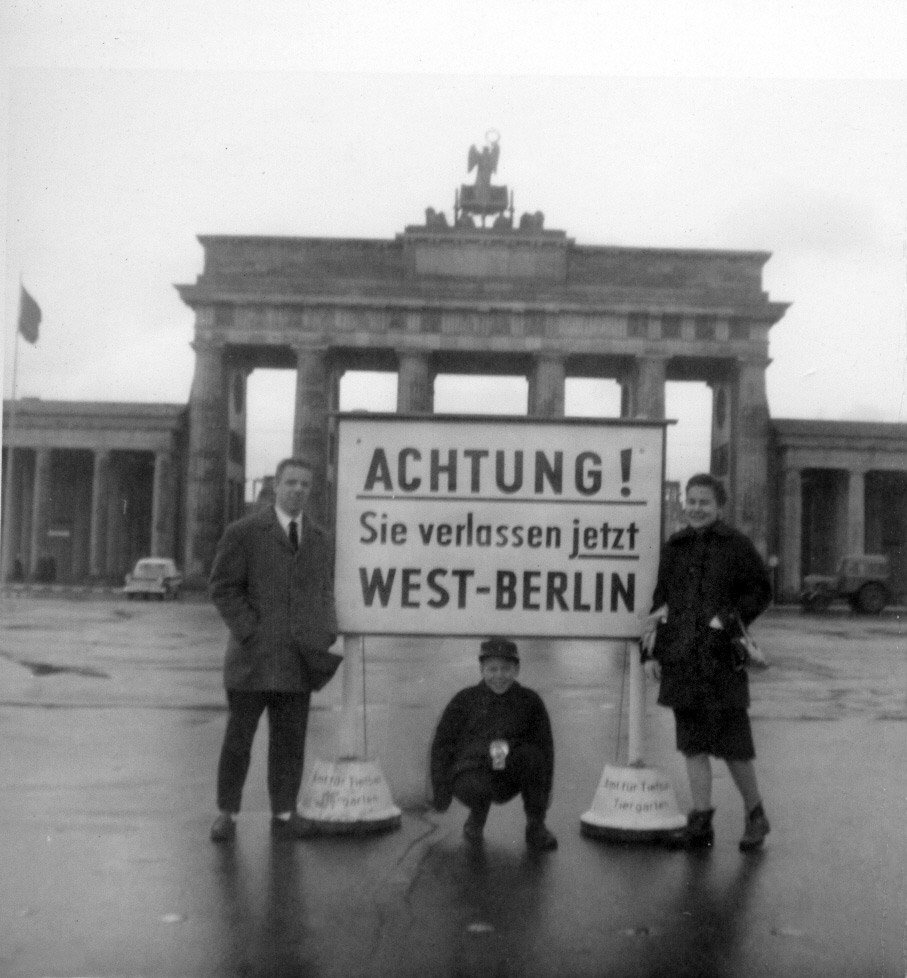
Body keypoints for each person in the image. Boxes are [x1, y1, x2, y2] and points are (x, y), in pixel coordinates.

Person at [208, 457, 339, 843]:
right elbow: (222, 588)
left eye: (305, 485)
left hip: (298, 663)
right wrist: (250, 631)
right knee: (238, 742)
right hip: (251, 662)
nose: (298, 490)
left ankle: (284, 812)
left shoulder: (319, 538)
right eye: (291, 483)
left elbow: (324, 591)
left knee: (289, 743)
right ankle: (227, 813)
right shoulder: (244, 532)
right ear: (276, 486)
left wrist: (326, 631)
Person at [641, 473, 772, 852]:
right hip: (682, 659)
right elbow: (660, 601)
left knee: (734, 746)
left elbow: (762, 591)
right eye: (691, 500)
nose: (696, 508)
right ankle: (700, 823)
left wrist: (729, 619)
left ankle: (756, 816)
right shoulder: (675, 546)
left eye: (705, 502)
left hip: (720, 660)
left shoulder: (736, 545)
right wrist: (650, 651)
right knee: (692, 744)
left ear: (719, 506)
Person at [430, 638, 558, 851]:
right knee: (476, 786)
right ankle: (476, 818)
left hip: (508, 774)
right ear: (481, 669)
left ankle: (536, 826)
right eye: (492, 669)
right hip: (472, 772)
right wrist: (440, 792)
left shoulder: (530, 701)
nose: (499, 676)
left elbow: (546, 748)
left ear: (516, 669)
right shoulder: (464, 699)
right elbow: (442, 745)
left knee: (533, 757)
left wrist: (546, 791)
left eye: (506, 669)